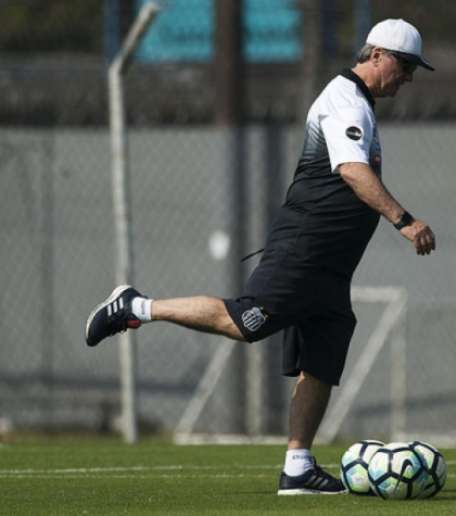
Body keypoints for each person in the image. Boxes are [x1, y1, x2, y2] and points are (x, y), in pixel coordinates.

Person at [85, 18, 436, 493]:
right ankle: (135, 306)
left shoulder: (362, 106)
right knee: (246, 321)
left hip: (333, 265)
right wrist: (405, 220)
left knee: (322, 361)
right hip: (305, 248)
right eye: (406, 65)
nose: (409, 77)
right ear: (377, 55)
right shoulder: (344, 100)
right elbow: (352, 171)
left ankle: (298, 466)